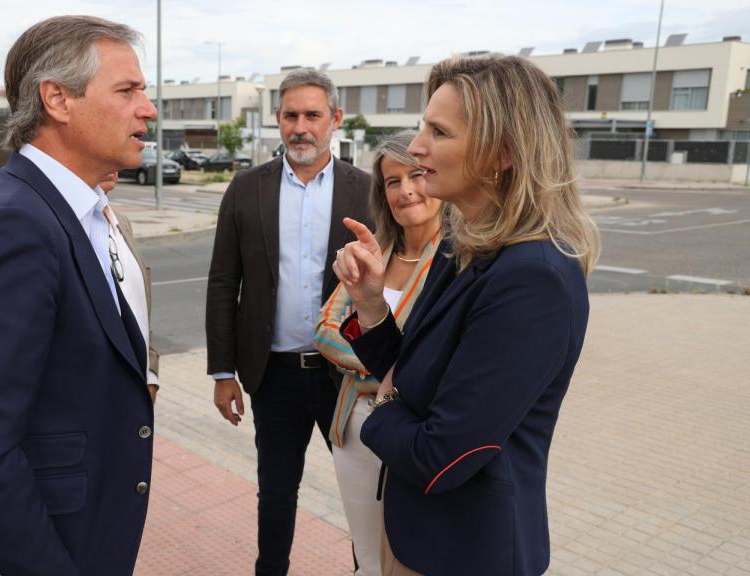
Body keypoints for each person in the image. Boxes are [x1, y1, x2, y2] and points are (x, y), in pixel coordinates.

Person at [333, 54, 600, 575]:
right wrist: (368, 303)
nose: (416, 146)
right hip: (419, 536)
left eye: (438, 131)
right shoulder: (464, 244)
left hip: (467, 553)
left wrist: (378, 407)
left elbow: (441, 454)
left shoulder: (535, 276)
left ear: (500, 152)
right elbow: (413, 369)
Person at [0, 16, 158, 576]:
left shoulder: (77, 210)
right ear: (58, 99)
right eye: (128, 90)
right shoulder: (15, 222)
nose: (148, 108)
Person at [205, 68, 373, 575]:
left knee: (363, 496)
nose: (301, 127)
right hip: (272, 375)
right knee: (276, 493)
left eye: (313, 115)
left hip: (345, 376)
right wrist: (222, 372)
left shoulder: (365, 189)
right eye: (291, 115)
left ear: (335, 119)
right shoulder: (245, 188)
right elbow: (222, 282)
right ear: (277, 120)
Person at [312, 130, 442, 576]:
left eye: (416, 174)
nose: (406, 190)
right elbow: (325, 330)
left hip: (412, 432)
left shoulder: (454, 260)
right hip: (354, 429)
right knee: (367, 557)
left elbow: (432, 356)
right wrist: (385, 362)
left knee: (410, 556)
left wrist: (374, 350)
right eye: (392, 181)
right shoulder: (375, 251)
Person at [99, 171, 160, 401]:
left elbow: (139, 305)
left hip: (136, 390)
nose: (112, 167)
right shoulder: (65, 224)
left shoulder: (121, 222)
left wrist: (151, 375)